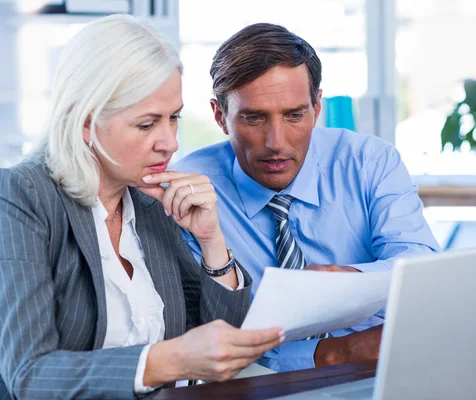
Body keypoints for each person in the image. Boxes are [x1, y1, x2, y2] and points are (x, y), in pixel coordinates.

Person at [0, 15, 283, 400]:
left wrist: (212, 241)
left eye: (174, 118)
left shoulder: (147, 197)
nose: (169, 143)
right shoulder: (23, 195)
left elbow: (218, 341)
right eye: (147, 124)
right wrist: (168, 360)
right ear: (86, 122)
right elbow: (30, 376)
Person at [174, 23, 441, 373]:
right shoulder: (190, 194)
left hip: (381, 370)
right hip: (257, 383)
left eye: (294, 115)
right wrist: (330, 354)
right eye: (254, 118)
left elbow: (421, 269)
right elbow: (209, 332)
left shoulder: (370, 162)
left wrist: (348, 279)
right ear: (221, 116)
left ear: (317, 107)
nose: (276, 142)